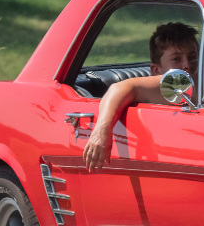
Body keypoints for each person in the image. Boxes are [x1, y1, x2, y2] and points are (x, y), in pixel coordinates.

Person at [82, 22, 198, 171]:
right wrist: (101, 130)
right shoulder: (173, 83)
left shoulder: (203, 78)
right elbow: (120, 88)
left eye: (192, 57)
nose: (187, 64)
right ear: (156, 69)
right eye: (176, 59)